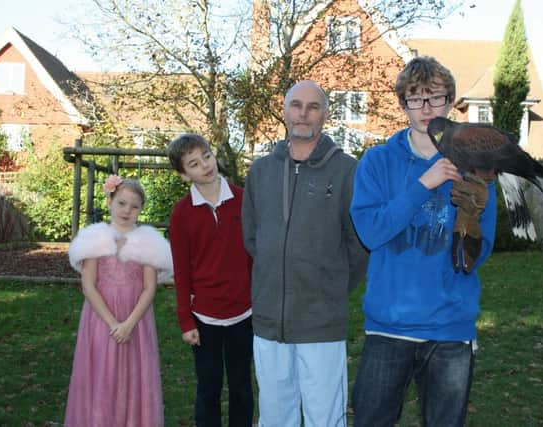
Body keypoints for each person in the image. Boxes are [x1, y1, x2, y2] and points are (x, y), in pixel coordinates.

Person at [349, 56, 498, 427]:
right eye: (416, 99)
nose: (427, 107)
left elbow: (481, 251)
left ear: (451, 101)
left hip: (449, 327)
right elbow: (370, 232)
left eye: (436, 97)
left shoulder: (475, 166)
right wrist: (423, 185)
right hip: (388, 326)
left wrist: (471, 233)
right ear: (403, 105)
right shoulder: (377, 161)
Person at [242, 80, 369, 427]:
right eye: (296, 105)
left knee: (324, 417)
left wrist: (329, 285)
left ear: (325, 114)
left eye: (313, 106)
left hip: (321, 322)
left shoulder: (346, 170)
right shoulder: (261, 171)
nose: (303, 113)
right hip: (269, 320)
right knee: (274, 416)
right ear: (284, 111)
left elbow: (358, 245)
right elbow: (253, 238)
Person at [65, 175, 173, 427]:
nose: (127, 210)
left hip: (136, 321)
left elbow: (149, 288)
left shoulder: (148, 242)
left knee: (134, 376)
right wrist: (114, 323)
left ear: (141, 209)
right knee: (102, 375)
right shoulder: (95, 238)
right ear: (110, 200)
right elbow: (88, 285)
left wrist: (128, 325)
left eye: (134, 206)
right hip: (101, 320)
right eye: (122, 203)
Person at [167, 133, 254, 427]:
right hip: (204, 318)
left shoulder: (244, 200)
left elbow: (256, 256)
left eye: (206, 156)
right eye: (193, 163)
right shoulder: (181, 214)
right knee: (208, 389)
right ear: (183, 175)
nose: (204, 165)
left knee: (242, 387)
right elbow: (181, 270)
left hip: (245, 313)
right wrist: (185, 320)